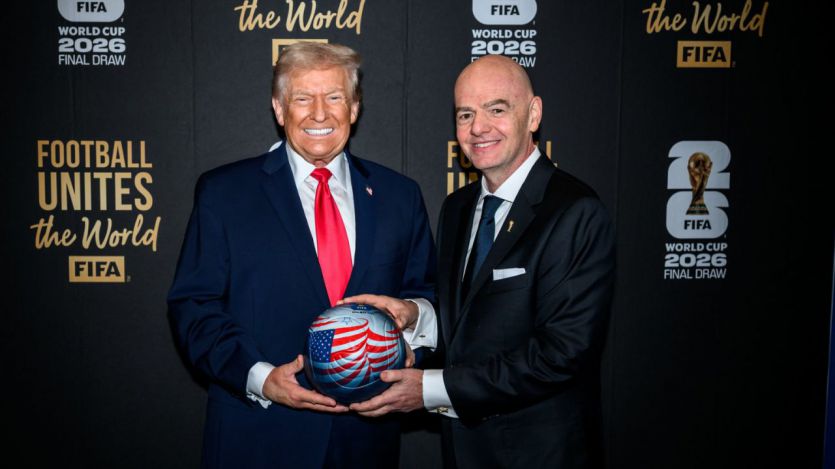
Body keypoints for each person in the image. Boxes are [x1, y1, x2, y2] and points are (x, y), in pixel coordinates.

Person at [167, 42, 437, 468]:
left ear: (354, 108)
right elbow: (194, 306)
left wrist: (413, 324)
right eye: (302, 98)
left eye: (334, 97)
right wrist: (260, 379)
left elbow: (428, 297)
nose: (319, 114)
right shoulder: (224, 193)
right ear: (279, 109)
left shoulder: (399, 196)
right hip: (258, 437)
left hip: (365, 443)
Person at [345, 55, 615, 468]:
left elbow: (560, 354)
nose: (478, 128)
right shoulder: (457, 207)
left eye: (497, 109)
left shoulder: (574, 211)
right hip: (464, 451)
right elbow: (471, 322)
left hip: (541, 455)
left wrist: (430, 389)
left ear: (533, 114)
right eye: (465, 114)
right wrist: (417, 316)